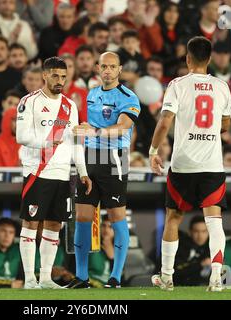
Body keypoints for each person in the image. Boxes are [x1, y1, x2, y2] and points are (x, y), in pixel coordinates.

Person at [149, 36, 231, 292]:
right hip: (212, 164)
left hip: (183, 163)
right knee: (214, 220)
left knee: (174, 217)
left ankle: (166, 277)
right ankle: (217, 277)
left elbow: (165, 122)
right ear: (209, 59)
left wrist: (153, 150)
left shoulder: (177, 85)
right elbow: (226, 126)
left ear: (187, 58)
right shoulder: (222, 86)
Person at [16, 56, 91, 289]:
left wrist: (83, 171)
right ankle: (29, 279)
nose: (60, 80)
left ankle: (46, 278)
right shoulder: (29, 102)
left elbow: (76, 141)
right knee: (30, 223)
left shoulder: (70, 106)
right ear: (45, 75)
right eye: (56, 76)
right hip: (37, 171)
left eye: (63, 76)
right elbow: (21, 136)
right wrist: (47, 143)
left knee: (54, 225)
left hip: (62, 174)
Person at [71, 51, 141, 289]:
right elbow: (89, 127)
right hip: (90, 157)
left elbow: (123, 127)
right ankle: (81, 277)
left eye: (112, 66)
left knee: (116, 216)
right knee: (82, 216)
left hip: (114, 159)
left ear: (120, 69)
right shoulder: (92, 94)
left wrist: (96, 132)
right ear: (98, 69)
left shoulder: (128, 96)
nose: (108, 70)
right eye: (104, 66)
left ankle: (116, 277)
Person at [173, 216, 210, 286]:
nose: (200, 236)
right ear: (190, 232)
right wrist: (200, 264)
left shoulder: (213, 247)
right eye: (196, 231)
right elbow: (175, 272)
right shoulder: (180, 247)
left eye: (204, 231)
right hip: (181, 287)